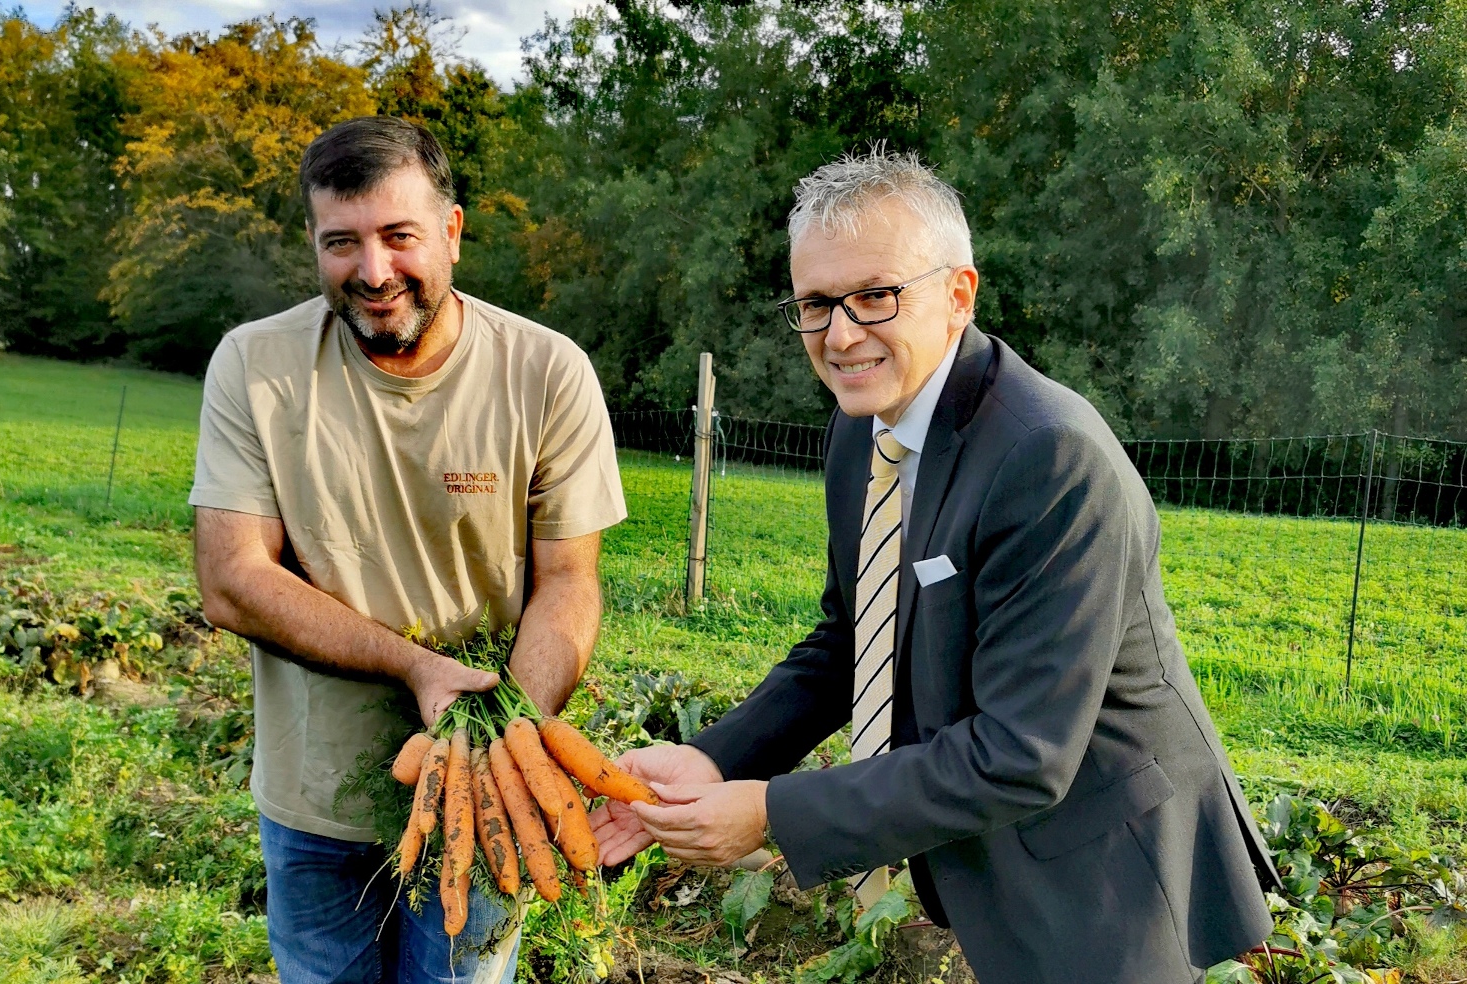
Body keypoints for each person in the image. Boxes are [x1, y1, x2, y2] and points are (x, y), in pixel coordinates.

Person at [590, 150, 1280, 984]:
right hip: (993, 843)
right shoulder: (859, 431)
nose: (841, 334)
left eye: (875, 295)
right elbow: (854, 637)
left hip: (1101, 870)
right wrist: (715, 758)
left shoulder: (1049, 456)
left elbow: (1023, 754)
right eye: (816, 304)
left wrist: (774, 813)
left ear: (958, 296)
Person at [190, 116, 627, 984]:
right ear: (314, 243)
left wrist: (505, 736)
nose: (374, 271)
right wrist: (415, 667)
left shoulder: (546, 371)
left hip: (489, 797)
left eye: (400, 236)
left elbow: (571, 584)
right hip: (317, 796)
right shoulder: (257, 364)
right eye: (341, 242)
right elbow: (232, 580)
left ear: (453, 233)